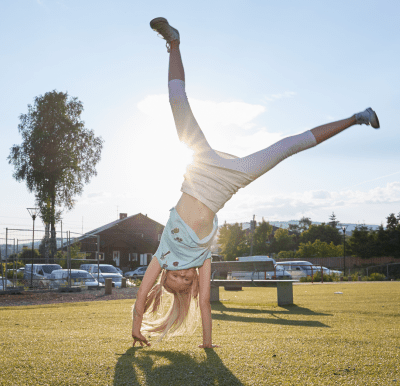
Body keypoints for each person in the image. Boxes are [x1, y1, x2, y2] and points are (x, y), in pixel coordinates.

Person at [131, 17, 379, 348]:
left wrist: (137, 322)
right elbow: (204, 305)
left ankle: (173, 43)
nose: (179, 274)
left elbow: (142, 294)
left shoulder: (163, 254)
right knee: (288, 147)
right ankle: (357, 117)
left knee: (178, 103)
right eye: (183, 280)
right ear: (190, 284)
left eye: (173, 277)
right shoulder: (203, 261)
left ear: (166, 274)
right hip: (228, 182)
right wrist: (207, 344)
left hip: (200, 167)